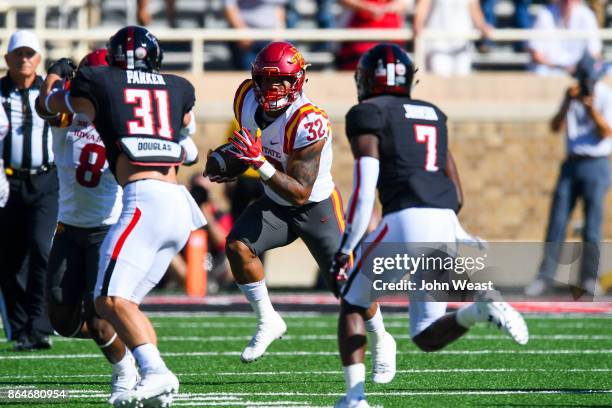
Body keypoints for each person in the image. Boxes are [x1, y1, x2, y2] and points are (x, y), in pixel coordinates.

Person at [330, 43, 529, 408]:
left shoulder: (367, 113)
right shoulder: (432, 113)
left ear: (364, 79)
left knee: (353, 304)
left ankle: (355, 399)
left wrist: (345, 249)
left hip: (405, 221)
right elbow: (457, 192)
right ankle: (477, 311)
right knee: (424, 336)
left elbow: (363, 191)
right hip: (445, 222)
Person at [37, 26, 205, 407]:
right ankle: (155, 384)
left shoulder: (102, 88)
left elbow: (49, 104)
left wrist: (56, 77)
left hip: (138, 205)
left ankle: (148, 372)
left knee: (110, 302)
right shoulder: (175, 86)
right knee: (117, 304)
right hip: (173, 205)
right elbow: (189, 139)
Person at [210, 42, 396, 384]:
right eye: (265, 81)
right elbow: (254, 148)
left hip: (315, 205)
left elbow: (300, 191)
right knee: (237, 246)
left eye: (280, 80)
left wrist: (257, 163)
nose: (271, 88)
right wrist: (226, 162)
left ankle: (383, 337)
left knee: (345, 284)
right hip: (275, 201)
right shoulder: (246, 99)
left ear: (298, 81)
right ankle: (268, 319)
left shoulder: (309, 120)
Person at [42, 49, 139, 405]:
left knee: (100, 318)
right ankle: (125, 339)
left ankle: (126, 367)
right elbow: (44, 105)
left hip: (106, 230)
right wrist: (54, 75)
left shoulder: (117, 117)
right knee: (61, 320)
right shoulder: (66, 115)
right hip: (68, 229)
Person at [525, 53, 611, 297]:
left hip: (597, 163)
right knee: (557, 222)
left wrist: (591, 109)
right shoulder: (570, 96)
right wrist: (566, 103)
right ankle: (545, 277)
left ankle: (588, 280)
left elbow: (606, 132)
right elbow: (555, 127)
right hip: (571, 163)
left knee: (592, 227)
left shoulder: (605, 95)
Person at [0, 30, 56, 351]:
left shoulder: (50, 90)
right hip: (6, 181)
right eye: (18, 54)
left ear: (39, 58)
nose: (24, 59)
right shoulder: (0, 91)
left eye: (29, 54)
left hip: (45, 180)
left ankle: (40, 325)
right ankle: (21, 328)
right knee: (9, 257)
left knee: (42, 248)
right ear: (7, 58)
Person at [413, 0, 492, 76]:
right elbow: (423, 5)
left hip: (462, 44)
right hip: (437, 45)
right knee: (439, 80)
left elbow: (474, 8)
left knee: (462, 81)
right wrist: (418, 22)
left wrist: (482, 26)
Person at [528, 0, 601, 75]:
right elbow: (536, 54)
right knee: (541, 71)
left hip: (579, 71)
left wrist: (579, 68)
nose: (568, 2)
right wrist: (560, 67)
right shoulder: (545, 14)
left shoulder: (587, 15)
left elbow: (595, 53)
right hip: (551, 70)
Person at [336, 0, 411, 70]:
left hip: (390, 41)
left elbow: (403, 4)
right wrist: (367, 8)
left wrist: (385, 9)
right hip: (359, 45)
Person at [223, 0, 288, 71]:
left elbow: (279, 7)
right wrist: (242, 33)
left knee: (275, 74)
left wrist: (279, 32)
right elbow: (229, 6)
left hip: (271, 38)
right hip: (247, 40)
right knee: (248, 75)